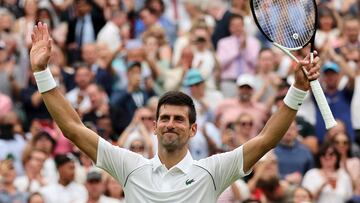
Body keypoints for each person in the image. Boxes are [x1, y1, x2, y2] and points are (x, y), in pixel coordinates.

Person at [29, 22, 320, 202]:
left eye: (179, 119)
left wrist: (297, 88)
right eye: (165, 118)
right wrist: (42, 73)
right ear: (154, 126)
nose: (171, 124)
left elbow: (266, 140)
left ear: (193, 129)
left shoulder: (212, 171)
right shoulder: (131, 167)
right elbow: (74, 129)